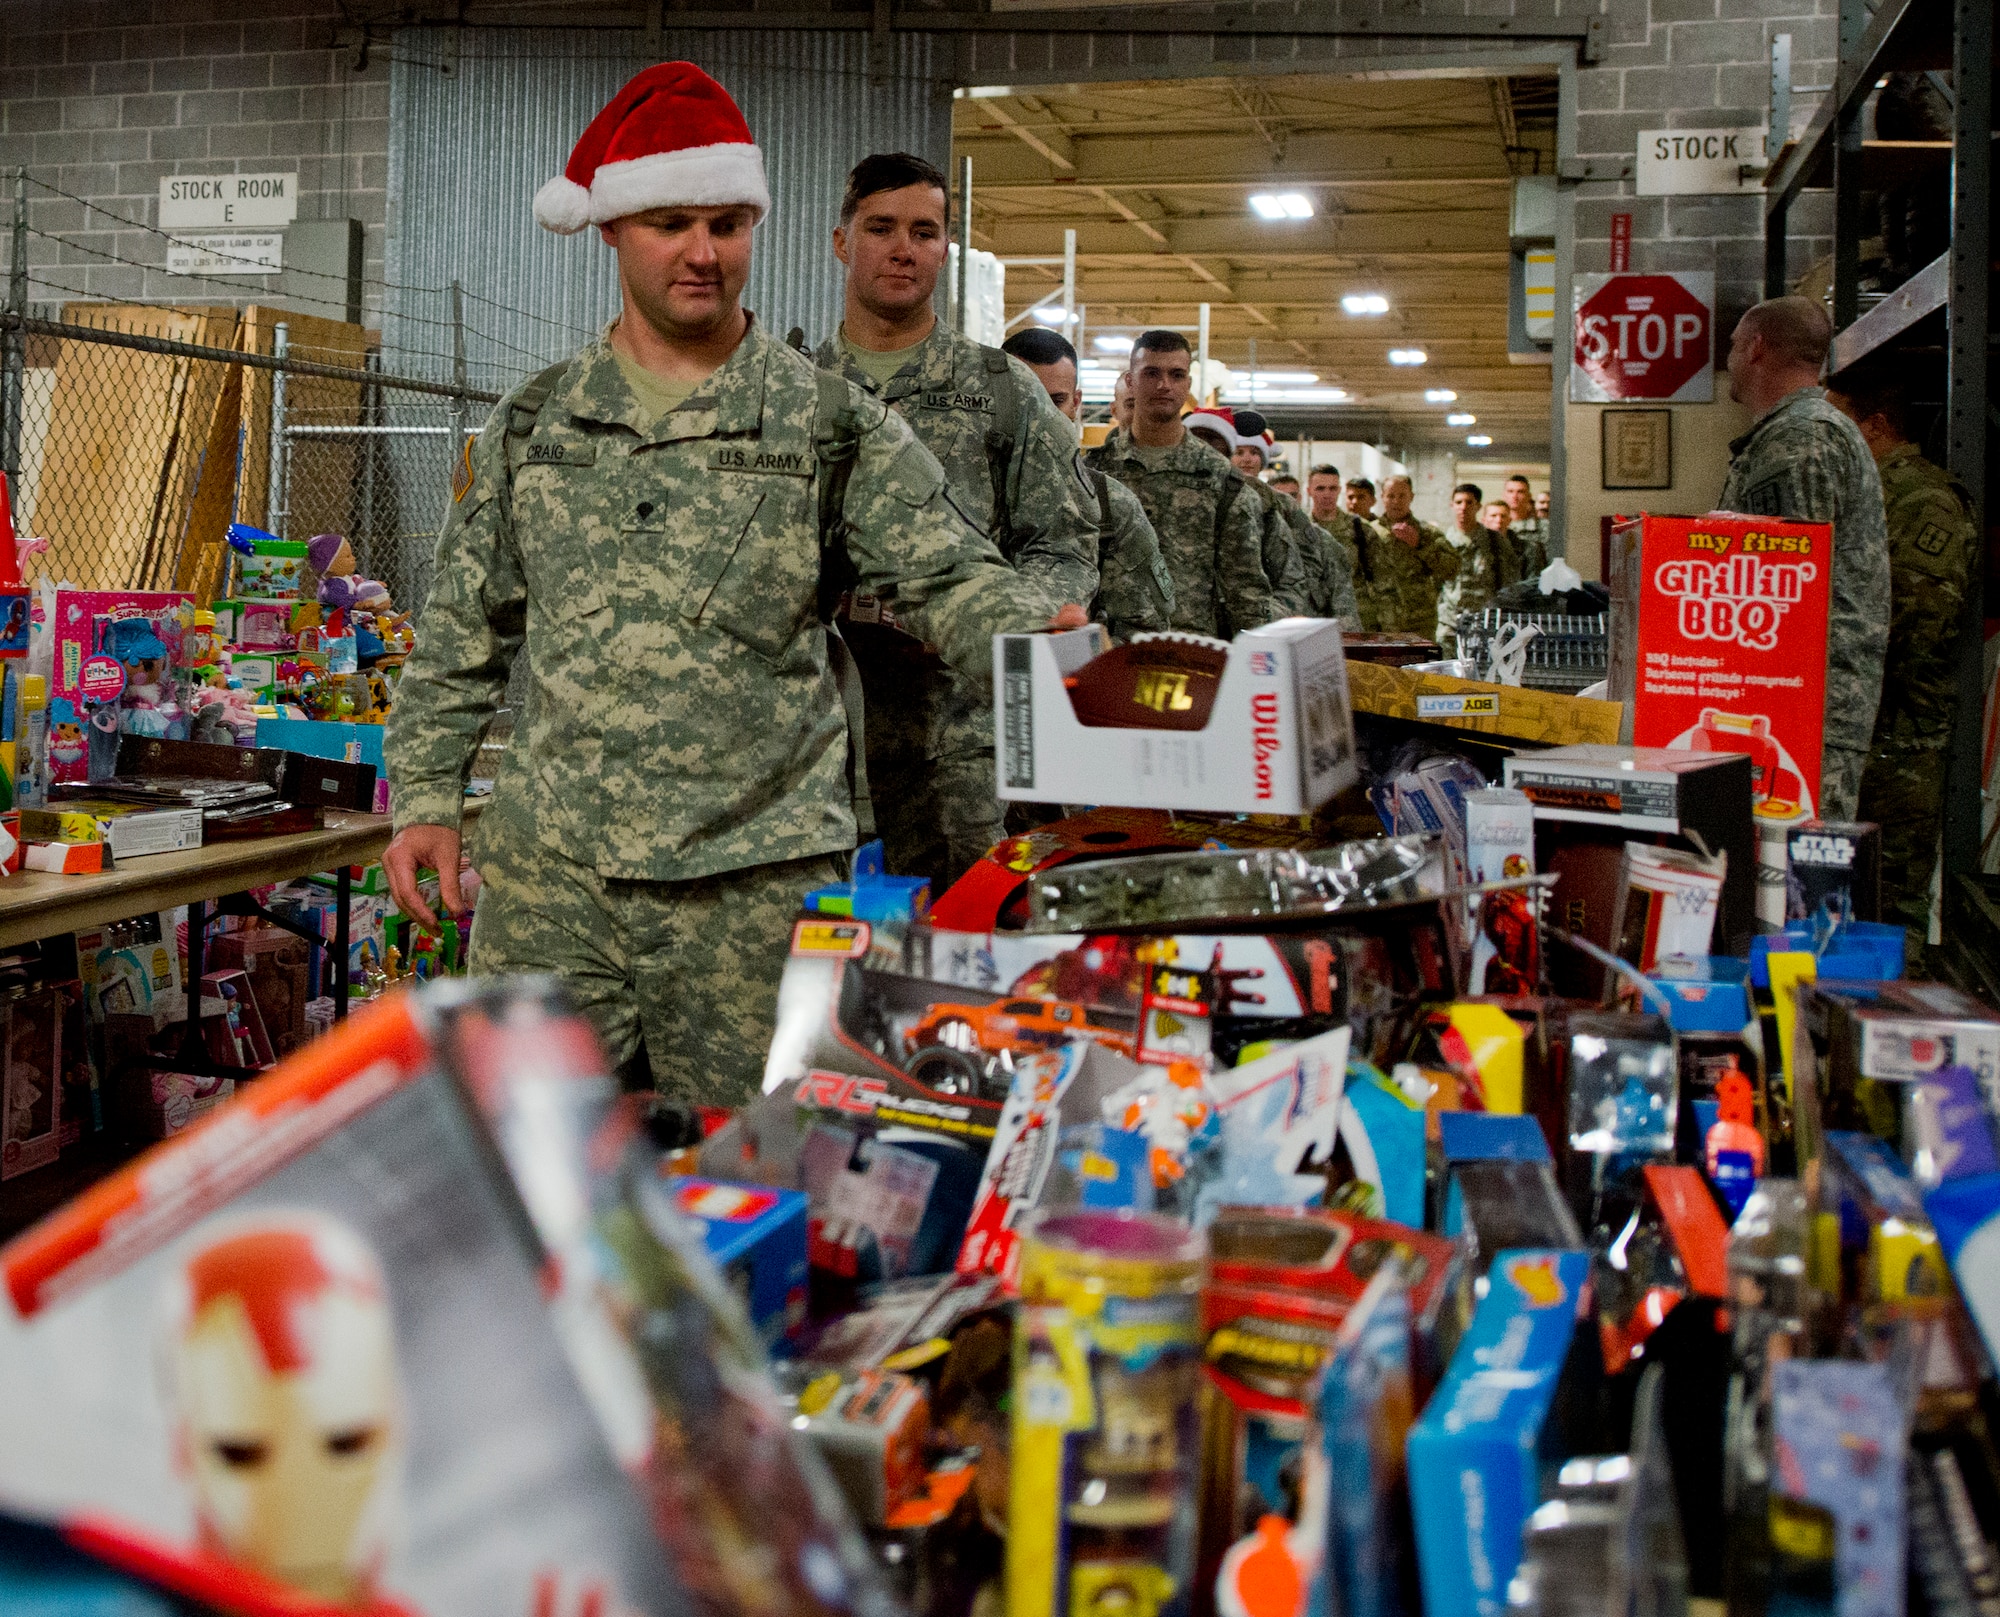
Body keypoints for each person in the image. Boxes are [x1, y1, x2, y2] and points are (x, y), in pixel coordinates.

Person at [383, 64, 1079, 1103]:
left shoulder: (825, 420)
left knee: (751, 1172)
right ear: (614, 230)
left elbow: (949, 574)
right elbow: (460, 628)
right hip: (554, 885)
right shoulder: (538, 422)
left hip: (750, 889)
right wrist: (427, 797)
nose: (702, 253)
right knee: (527, 1173)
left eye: (726, 222)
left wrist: (1051, 644)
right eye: (670, 222)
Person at [814, 152, 1099, 890]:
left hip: (964, 743)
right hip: (815, 743)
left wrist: (998, 622)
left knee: (963, 947)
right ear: (842, 241)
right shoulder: (792, 392)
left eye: (925, 231)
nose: (903, 248)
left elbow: (1063, 542)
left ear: (945, 249)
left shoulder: (1001, 392)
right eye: (880, 228)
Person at [1718, 295, 1891, 821]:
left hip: (1806, 720)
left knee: (1798, 873)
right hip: (1797, 714)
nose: (1727, 357)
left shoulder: (1800, 443)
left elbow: (1788, 597)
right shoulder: (1793, 434)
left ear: (1757, 348)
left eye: (1731, 346)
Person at [1826, 364, 1977, 958]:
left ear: (1878, 427)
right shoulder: (1869, 495)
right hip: (1861, 735)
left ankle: (1889, 1032)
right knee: (1837, 907)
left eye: (1844, 425)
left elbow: (1916, 626)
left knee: (1889, 912)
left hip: (1899, 747)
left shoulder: (1927, 500)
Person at [1085, 332, 1286, 638]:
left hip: (1192, 655)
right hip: (1113, 654)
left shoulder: (1221, 479)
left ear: (1188, 385)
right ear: (1130, 381)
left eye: (1176, 375)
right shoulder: (1094, 472)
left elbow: (1246, 592)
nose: (1164, 385)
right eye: (1151, 373)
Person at [1002, 325, 1173, 639]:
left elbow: (1142, 634)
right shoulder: (942, 493)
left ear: (1075, 402)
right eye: (1024, 399)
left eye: (1056, 401)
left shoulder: (1108, 506)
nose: (1039, 416)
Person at [1234, 406, 1350, 623]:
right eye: (1239, 453)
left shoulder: (1283, 504)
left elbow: (1309, 556)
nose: (1247, 460)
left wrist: (1296, 602)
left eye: (1254, 453)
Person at [1356, 473, 1457, 636]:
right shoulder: (1367, 532)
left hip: (1419, 624)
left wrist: (1420, 544)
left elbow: (1451, 569)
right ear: (1382, 497)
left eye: (1402, 496)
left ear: (1411, 497)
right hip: (1379, 623)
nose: (1396, 501)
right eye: (1391, 496)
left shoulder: (1427, 533)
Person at [1504, 473, 1551, 576]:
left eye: (1520, 492)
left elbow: (1550, 563)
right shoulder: (1498, 525)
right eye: (1510, 491)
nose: (1514, 496)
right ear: (1504, 495)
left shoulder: (1545, 527)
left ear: (1529, 496)